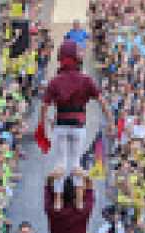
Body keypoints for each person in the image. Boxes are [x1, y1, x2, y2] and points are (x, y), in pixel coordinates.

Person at [39, 40, 101, 175]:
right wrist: (111, 122)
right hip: (78, 124)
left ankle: (57, 195)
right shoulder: (86, 80)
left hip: (60, 125)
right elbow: (101, 100)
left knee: (60, 164)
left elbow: (44, 106)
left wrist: (42, 125)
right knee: (76, 164)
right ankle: (79, 195)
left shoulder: (55, 81)